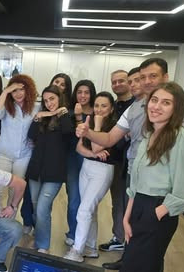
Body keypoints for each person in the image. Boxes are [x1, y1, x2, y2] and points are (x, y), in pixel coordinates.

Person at [77, 58, 184, 270]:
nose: (146, 81)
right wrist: (88, 133)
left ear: (165, 77)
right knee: (132, 230)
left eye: (153, 76)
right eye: (143, 77)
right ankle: (127, 259)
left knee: (150, 255)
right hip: (136, 178)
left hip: (161, 192)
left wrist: (160, 211)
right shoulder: (136, 109)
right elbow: (110, 138)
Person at [113, 82, 184, 272]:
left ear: (176, 109)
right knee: (143, 269)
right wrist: (126, 217)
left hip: (158, 209)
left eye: (166, 103)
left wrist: (156, 213)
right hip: (139, 205)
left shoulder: (180, 139)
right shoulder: (149, 135)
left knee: (137, 271)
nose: (157, 106)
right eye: (154, 100)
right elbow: (136, 182)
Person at [64, 92, 119, 262]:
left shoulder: (115, 127)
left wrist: (97, 125)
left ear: (111, 108)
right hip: (87, 167)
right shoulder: (90, 122)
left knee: (84, 210)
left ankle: (76, 250)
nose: (99, 109)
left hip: (103, 170)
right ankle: (90, 247)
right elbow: (79, 148)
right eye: (96, 106)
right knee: (90, 210)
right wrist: (93, 155)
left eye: (104, 106)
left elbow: (96, 146)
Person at [26, 85, 73, 254]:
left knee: (42, 208)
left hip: (54, 173)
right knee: (36, 207)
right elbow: (31, 135)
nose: (49, 103)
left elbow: (68, 133)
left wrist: (61, 113)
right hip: (36, 170)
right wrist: (39, 116)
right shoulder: (42, 117)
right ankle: (39, 236)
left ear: (60, 98)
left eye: (52, 99)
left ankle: (43, 246)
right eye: (46, 101)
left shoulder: (66, 116)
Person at [0, 74, 39, 231]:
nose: (18, 94)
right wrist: (5, 91)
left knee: (15, 191)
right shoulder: (7, 106)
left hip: (24, 155)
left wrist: (36, 141)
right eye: (14, 91)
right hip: (4, 153)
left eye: (21, 90)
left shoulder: (36, 107)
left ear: (28, 90)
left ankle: (7, 225)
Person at [99, 69, 136, 253]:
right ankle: (119, 237)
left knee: (129, 203)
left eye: (121, 81)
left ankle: (129, 241)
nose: (117, 84)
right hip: (113, 161)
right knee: (117, 201)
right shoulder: (113, 105)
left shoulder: (137, 105)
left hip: (130, 163)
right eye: (114, 82)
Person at [65, 80, 96, 247]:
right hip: (72, 158)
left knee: (88, 201)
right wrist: (77, 116)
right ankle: (73, 232)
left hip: (91, 159)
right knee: (74, 199)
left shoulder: (97, 112)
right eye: (79, 92)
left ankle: (86, 238)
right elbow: (77, 135)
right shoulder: (70, 112)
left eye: (86, 92)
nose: (83, 96)